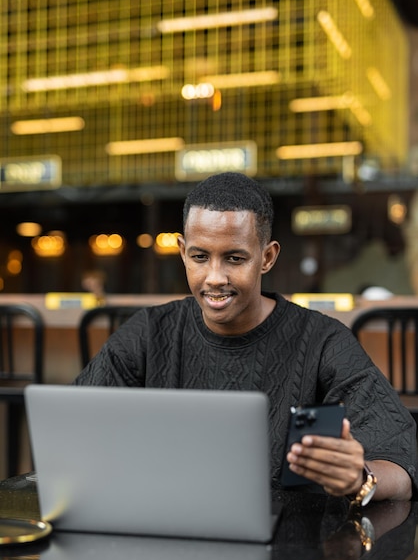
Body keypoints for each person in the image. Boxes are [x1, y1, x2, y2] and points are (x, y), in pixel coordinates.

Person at [74, 172, 418, 502]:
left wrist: (361, 478)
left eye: (234, 258)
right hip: (165, 534)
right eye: (199, 257)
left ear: (267, 257)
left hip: (288, 550)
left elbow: (404, 462)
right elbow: (75, 424)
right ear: (182, 252)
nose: (214, 277)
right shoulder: (150, 332)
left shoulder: (322, 341)